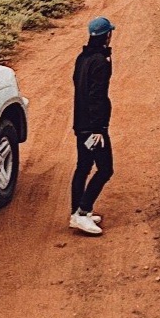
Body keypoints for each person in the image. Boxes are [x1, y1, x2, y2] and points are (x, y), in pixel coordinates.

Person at [69, 16, 115, 236]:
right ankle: (83, 212)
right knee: (105, 169)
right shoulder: (99, 62)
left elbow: (78, 85)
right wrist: (99, 129)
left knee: (83, 166)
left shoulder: (82, 58)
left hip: (81, 124)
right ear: (107, 35)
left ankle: (77, 213)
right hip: (93, 128)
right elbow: (97, 95)